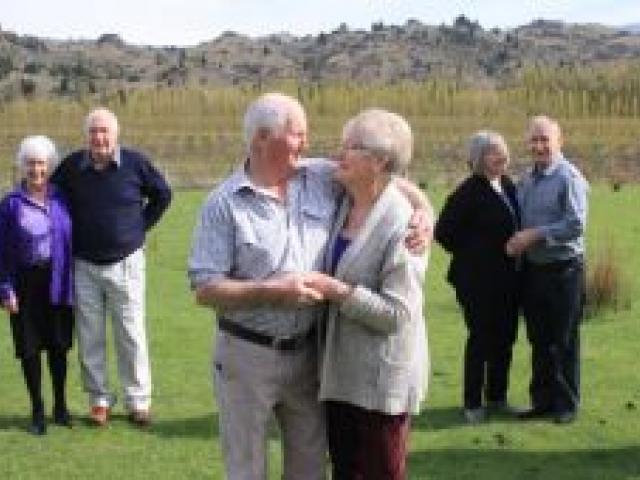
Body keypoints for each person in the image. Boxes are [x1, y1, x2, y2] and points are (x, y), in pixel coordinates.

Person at [188, 93, 432, 479]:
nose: (306, 143)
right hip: (246, 355)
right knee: (246, 468)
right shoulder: (223, 204)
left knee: (309, 468)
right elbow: (205, 289)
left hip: (310, 357)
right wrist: (272, 291)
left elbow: (388, 179)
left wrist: (424, 212)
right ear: (262, 139)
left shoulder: (319, 176)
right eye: (297, 134)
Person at [304, 109, 429, 480]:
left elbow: (396, 315)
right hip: (340, 375)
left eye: (351, 147)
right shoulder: (343, 197)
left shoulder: (403, 226)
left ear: (379, 162)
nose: (338, 154)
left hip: (380, 383)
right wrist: (427, 205)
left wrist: (335, 290)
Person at [51, 108, 172, 427]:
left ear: (116, 134)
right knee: (90, 335)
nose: (99, 137)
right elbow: (52, 199)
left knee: (130, 333)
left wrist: (139, 227)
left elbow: (163, 194)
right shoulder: (71, 167)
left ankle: (138, 401)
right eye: (93, 131)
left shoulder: (135, 163)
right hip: (84, 265)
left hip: (126, 264)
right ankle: (99, 400)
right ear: (86, 136)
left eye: (104, 131)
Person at [506, 115, 588, 424]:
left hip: (564, 270)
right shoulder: (528, 178)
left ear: (559, 142)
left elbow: (576, 224)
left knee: (563, 339)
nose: (539, 146)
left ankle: (566, 405)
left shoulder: (569, 178)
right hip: (534, 270)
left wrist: (535, 235)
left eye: (545, 140)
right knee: (539, 338)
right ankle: (541, 402)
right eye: (534, 140)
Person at [435, 131, 520, 424]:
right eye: (492, 153)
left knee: (505, 338)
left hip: (508, 279)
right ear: (478, 159)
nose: (501, 157)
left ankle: (497, 397)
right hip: (476, 282)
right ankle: (472, 403)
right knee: (481, 338)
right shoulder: (468, 192)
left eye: (503, 151)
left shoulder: (507, 185)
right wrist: (475, 253)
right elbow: (443, 232)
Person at [0, 136, 73, 435]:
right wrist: (6, 289)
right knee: (29, 349)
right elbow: (1, 251)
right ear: (22, 165)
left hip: (57, 280)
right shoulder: (10, 205)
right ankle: (38, 410)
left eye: (41, 163)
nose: (36, 169)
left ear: (50, 165)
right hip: (25, 284)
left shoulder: (61, 199)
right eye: (30, 163)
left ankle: (60, 406)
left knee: (58, 346)